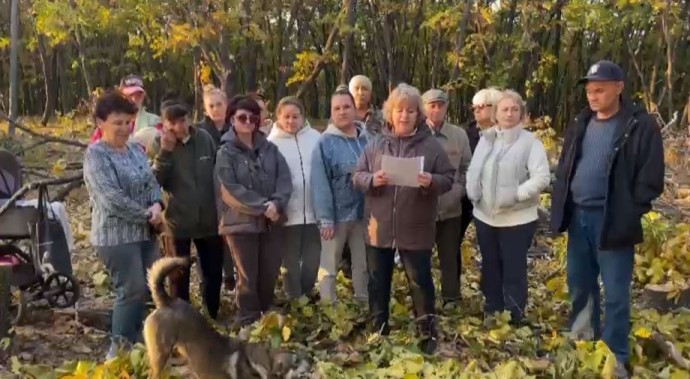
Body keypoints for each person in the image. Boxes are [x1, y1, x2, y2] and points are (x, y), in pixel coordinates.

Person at [550, 60, 664, 377]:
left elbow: (651, 176)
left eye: (599, 90)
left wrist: (630, 209)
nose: (593, 96)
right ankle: (584, 341)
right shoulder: (581, 122)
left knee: (615, 292)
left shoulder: (639, 126)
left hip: (612, 219)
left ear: (619, 88)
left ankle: (616, 356)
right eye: (589, 90)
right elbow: (566, 165)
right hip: (579, 217)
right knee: (579, 284)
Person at [353, 83, 455, 354]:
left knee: (420, 281)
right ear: (390, 113)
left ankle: (426, 332)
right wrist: (372, 179)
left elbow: (448, 178)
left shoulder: (431, 147)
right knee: (377, 281)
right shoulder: (374, 145)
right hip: (380, 227)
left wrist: (430, 180)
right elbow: (357, 176)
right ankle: (378, 329)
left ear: (418, 115)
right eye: (400, 110)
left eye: (411, 111)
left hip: (416, 227)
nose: (404, 116)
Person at [83, 90, 163, 359]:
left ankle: (139, 344)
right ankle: (117, 350)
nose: (125, 128)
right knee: (130, 290)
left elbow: (152, 183)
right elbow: (111, 198)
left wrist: (157, 205)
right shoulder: (96, 155)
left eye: (128, 122)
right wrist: (145, 214)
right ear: (100, 123)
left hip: (145, 232)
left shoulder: (134, 150)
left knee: (148, 289)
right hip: (116, 237)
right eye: (117, 123)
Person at [466, 89, 551, 325]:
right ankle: (492, 310)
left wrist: (515, 195)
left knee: (513, 268)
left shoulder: (530, 143)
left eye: (515, 109)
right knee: (490, 265)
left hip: (517, 219)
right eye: (505, 109)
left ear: (522, 115)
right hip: (485, 217)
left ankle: (513, 315)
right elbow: (474, 169)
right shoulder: (487, 139)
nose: (510, 113)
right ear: (496, 114)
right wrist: (473, 193)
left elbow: (542, 177)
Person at [215, 94, 293, 329]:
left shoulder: (270, 149)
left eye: (253, 118)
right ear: (232, 120)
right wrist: (262, 206)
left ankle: (265, 316)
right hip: (241, 224)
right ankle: (248, 320)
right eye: (242, 117)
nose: (248, 122)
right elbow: (229, 189)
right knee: (247, 275)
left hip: (272, 221)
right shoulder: (225, 153)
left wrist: (276, 204)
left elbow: (284, 179)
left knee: (269, 272)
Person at [147, 100, 224, 319]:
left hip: (208, 218)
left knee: (212, 272)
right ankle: (181, 319)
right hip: (177, 221)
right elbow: (156, 181)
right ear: (165, 125)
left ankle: (212, 314)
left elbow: (216, 173)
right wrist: (166, 152)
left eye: (183, 120)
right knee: (178, 273)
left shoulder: (204, 139)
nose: (180, 127)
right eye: (173, 123)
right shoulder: (157, 143)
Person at [311, 88, 369, 304]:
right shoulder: (324, 143)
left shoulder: (366, 139)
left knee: (362, 262)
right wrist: (325, 218)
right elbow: (320, 183)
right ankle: (329, 305)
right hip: (336, 215)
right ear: (331, 113)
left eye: (347, 107)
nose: (342, 112)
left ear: (355, 109)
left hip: (363, 214)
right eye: (337, 108)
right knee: (330, 262)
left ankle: (363, 299)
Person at [266, 97, 322, 300]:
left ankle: (306, 293)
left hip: (314, 211)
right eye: (286, 117)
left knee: (312, 260)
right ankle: (294, 299)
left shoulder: (316, 138)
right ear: (278, 118)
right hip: (287, 213)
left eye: (295, 116)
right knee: (289, 262)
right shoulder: (271, 144)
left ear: (303, 116)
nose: (291, 121)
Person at [421, 89, 472, 306]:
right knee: (420, 257)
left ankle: (451, 299)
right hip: (421, 208)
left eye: (440, 105)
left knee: (450, 256)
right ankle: (423, 299)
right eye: (431, 105)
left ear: (446, 107)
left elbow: (467, 167)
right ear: (423, 107)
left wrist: (459, 191)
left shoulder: (459, 135)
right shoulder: (415, 133)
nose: (436, 109)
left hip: (451, 207)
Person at [196, 85, 236, 292]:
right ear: (205, 108)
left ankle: (230, 276)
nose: (216, 109)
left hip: (231, 190)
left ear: (226, 105)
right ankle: (208, 280)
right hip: (206, 191)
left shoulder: (236, 127)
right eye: (211, 105)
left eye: (219, 104)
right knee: (210, 239)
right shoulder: (200, 131)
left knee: (229, 233)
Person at [461, 87, 503, 245]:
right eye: (474, 107)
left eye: (482, 106)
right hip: (466, 198)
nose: (477, 110)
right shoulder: (465, 133)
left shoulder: (508, 134)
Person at [89, 74, 161, 145]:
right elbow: (94, 150)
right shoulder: (107, 124)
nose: (134, 99)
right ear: (121, 95)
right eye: (130, 94)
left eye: (139, 95)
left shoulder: (155, 122)